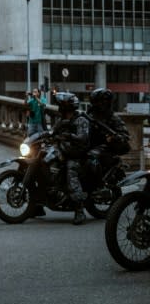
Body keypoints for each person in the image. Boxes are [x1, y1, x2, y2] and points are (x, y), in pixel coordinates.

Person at [50, 92, 90, 225]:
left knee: (71, 171)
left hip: (78, 155)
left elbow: (83, 138)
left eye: (61, 106)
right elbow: (52, 131)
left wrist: (70, 136)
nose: (59, 108)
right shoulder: (62, 120)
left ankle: (79, 210)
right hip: (64, 151)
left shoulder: (81, 120)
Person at [85, 88, 130, 182]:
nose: (99, 105)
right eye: (96, 102)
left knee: (91, 159)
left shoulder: (113, 118)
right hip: (87, 145)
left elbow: (124, 135)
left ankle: (98, 185)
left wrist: (114, 137)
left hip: (104, 148)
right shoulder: (88, 116)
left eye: (102, 102)